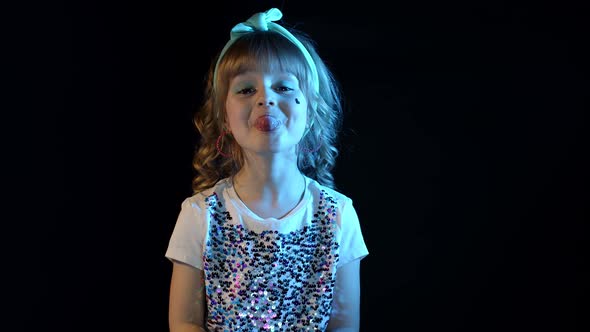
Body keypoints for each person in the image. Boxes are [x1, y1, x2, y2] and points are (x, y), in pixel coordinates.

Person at [165, 7, 369, 332]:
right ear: (224, 118)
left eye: (284, 87)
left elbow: (344, 323)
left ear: (312, 111)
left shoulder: (339, 214)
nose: (266, 99)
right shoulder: (199, 214)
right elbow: (184, 322)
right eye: (247, 89)